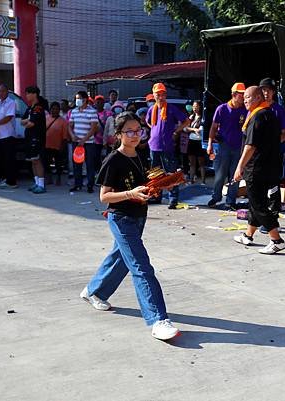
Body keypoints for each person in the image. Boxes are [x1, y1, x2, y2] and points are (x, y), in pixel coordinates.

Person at [80, 111, 180, 341]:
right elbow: (104, 197)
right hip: (121, 218)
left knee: (121, 258)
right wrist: (130, 194)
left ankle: (94, 291)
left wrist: (159, 185)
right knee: (141, 267)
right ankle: (158, 319)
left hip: (139, 216)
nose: (135, 136)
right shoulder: (112, 160)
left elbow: (143, 184)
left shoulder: (140, 155)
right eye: (130, 132)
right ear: (118, 135)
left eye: (138, 131)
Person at [232, 86, 285, 254]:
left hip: (256, 167)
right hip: (268, 166)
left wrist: (239, 167)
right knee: (256, 203)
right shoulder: (270, 114)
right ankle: (248, 235)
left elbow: (250, 146)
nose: (245, 100)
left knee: (258, 204)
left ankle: (276, 240)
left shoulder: (257, 116)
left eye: (247, 97)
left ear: (257, 98)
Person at [146, 82, 190, 209]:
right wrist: (155, 133)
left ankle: (173, 199)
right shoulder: (151, 109)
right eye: (158, 94)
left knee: (170, 173)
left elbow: (186, 121)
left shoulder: (171, 108)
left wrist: (176, 131)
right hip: (153, 146)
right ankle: (156, 196)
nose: (160, 96)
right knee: (155, 174)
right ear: (154, 95)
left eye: (163, 94)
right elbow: (148, 122)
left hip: (167, 146)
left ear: (165, 95)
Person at [207, 83, 248, 209]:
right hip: (224, 146)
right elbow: (213, 128)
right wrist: (210, 144)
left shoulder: (245, 110)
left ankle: (230, 201)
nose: (243, 97)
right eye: (241, 95)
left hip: (238, 147)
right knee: (220, 174)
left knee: (235, 175)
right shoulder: (222, 109)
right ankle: (216, 197)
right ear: (234, 95)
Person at [68, 90, 101, 193]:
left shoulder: (92, 111)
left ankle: (90, 185)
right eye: (76, 99)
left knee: (89, 164)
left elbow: (93, 128)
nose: (77, 100)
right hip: (76, 142)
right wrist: (72, 135)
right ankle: (78, 184)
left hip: (89, 143)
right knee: (76, 164)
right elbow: (70, 126)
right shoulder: (74, 111)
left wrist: (84, 140)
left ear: (85, 99)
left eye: (79, 99)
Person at [0, 84, 18, 189]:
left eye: (2, 91)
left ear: (7, 92)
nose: (0, 93)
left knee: (9, 159)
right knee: (3, 159)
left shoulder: (11, 103)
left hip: (8, 135)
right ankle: (6, 178)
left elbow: (8, 117)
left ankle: (12, 182)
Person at [21, 86, 47, 194]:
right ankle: (36, 182)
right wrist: (28, 121)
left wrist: (28, 122)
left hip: (37, 137)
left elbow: (31, 124)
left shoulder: (38, 107)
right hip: (29, 137)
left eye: (28, 93)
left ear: (34, 94)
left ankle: (41, 184)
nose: (26, 96)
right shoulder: (29, 108)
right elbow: (22, 121)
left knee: (37, 160)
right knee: (32, 160)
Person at [44, 102, 68, 186]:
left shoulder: (63, 121)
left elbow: (65, 136)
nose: (54, 110)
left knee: (58, 163)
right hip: (47, 145)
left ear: (59, 110)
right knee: (46, 162)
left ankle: (58, 178)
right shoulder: (46, 118)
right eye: (53, 109)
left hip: (58, 146)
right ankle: (49, 178)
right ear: (50, 110)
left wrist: (63, 146)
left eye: (56, 109)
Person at [259, 78, 285, 142]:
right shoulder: (254, 108)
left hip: (272, 150)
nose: (266, 93)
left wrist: (273, 144)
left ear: (273, 92)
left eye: (269, 90)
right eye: (264, 90)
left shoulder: (280, 110)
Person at [183, 100, 206, 184]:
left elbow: (200, 130)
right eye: (193, 106)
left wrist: (192, 129)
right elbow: (185, 128)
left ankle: (203, 181)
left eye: (196, 106)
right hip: (191, 141)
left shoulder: (203, 118)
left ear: (200, 107)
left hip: (199, 142)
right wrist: (193, 129)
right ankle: (191, 180)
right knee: (192, 162)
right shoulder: (191, 117)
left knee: (201, 163)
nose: (194, 108)